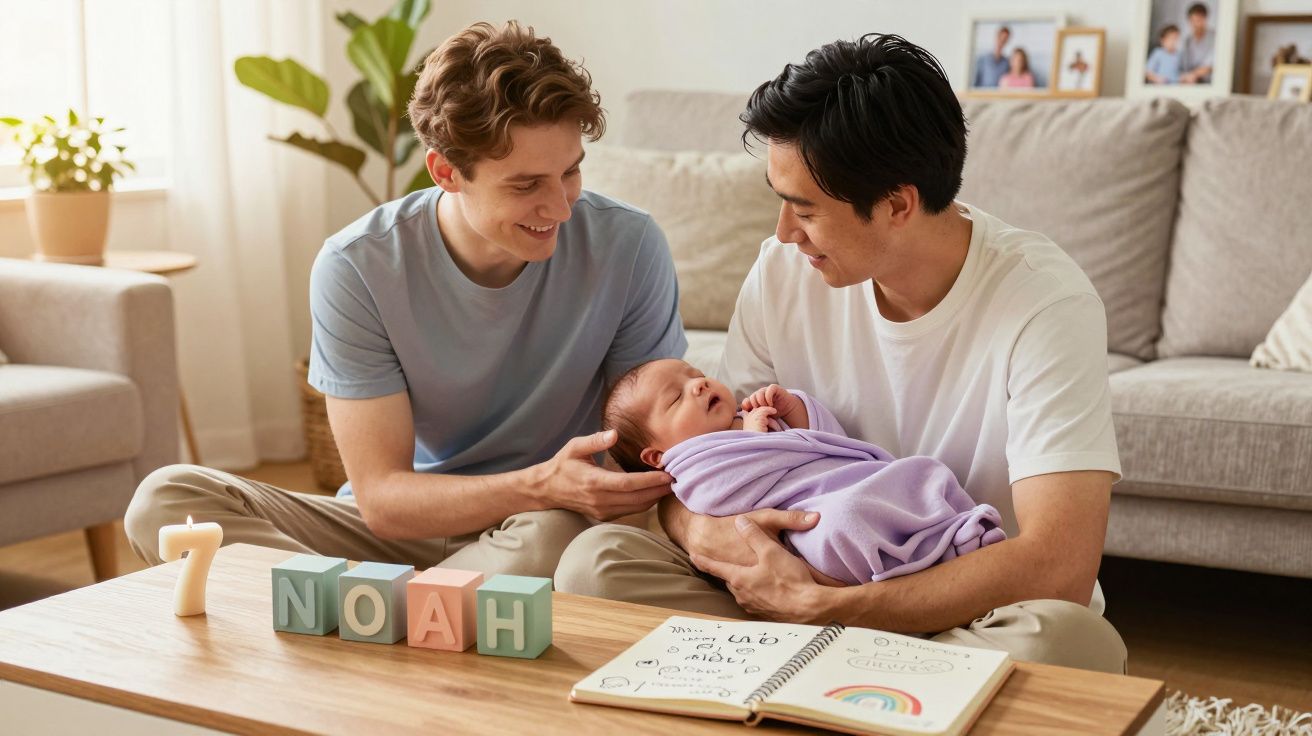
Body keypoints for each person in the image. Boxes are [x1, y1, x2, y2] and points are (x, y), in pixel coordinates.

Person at [555, 33, 1128, 675]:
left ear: (896, 205)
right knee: (595, 563)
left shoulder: (1043, 303)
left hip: (959, 608)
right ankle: (862, 685)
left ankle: (800, 673)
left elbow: (1061, 564)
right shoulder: (784, 270)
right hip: (790, 581)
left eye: (805, 210)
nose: (782, 233)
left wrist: (830, 607)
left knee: (1069, 643)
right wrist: (703, 533)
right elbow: (702, 464)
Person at [123, 21, 683, 578]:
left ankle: (353, 607)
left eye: (570, 172)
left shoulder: (628, 246)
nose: (561, 208)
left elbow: (648, 453)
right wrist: (536, 482)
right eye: (525, 185)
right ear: (446, 172)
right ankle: (409, 606)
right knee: (167, 501)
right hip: (401, 529)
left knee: (557, 539)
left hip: (540, 528)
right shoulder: (358, 267)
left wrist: (563, 495)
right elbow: (384, 501)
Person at [601, 358, 1006, 586]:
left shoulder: (752, 414)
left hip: (846, 481)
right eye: (676, 398)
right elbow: (720, 501)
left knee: (920, 474)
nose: (699, 386)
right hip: (811, 521)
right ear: (657, 457)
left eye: (696, 375)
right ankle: (908, 573)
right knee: (841, 525)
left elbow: (829, 443)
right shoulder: (693, 468)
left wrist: (796, 409)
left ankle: (952, 535)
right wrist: (754, 440)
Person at [1180, 2, 1214, 84]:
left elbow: (1210, 65)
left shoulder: (1215, 38)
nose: (1196, 25)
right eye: (1193, 21)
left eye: (1199, 20)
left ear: (1205, 19)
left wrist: (1193, 75)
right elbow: (1184, 66)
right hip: (1192, 82)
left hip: (1208, 82)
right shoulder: (1187, 41)